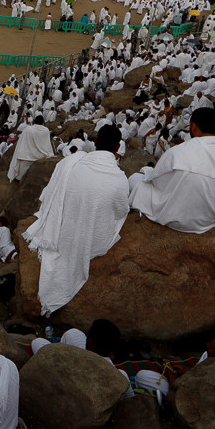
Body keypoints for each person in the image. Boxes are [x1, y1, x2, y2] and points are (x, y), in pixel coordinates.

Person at [23, 124, 130, 315]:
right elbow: (121, 210)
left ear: (96, 143)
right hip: (91, 237)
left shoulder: (72, 162)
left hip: (65, 224)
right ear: (117, 147)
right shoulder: (119, 179)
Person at [129, 107, 215, 234]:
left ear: (194, 126)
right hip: (209, 218)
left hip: (179, 219)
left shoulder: (177, 151)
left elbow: (155, 180)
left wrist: (147, 171)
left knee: (135, 179)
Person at [7, 115, 55, 182]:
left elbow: (21, 141)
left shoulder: (28, 129)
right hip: (40, 156)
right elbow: (46, 144)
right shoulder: (46, 130)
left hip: (26, 156)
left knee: (19, 177)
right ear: (43, 122)